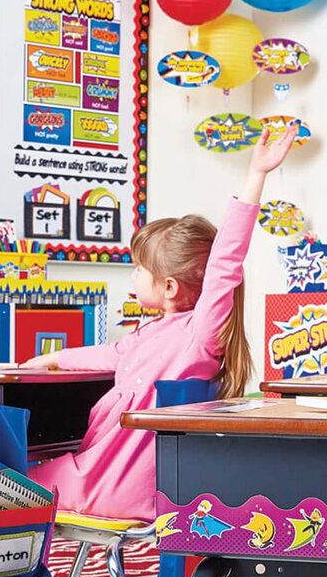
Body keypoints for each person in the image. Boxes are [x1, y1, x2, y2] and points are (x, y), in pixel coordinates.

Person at [21, 122, 299, 521]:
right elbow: (109, 353)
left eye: (138, 269)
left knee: (5, 477)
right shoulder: (149, 334)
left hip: (112, 486)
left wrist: (256, 176)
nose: (132, 276)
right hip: (108, 477)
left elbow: (224, 266)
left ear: (169, 286)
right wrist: (51, 359)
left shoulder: (197, 338)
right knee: (21, 472)